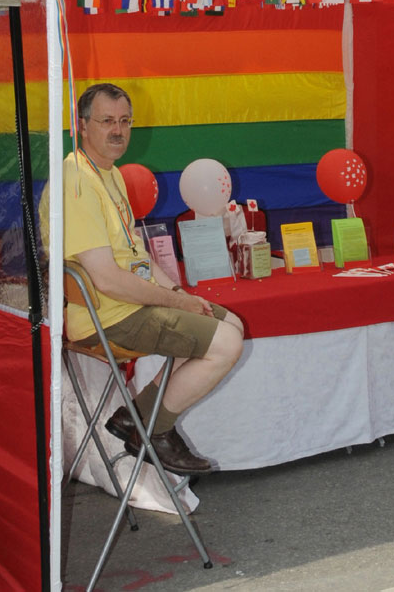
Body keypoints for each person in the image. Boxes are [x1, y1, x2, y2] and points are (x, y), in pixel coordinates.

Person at [40, 81, 244, 476]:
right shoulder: (76, 181)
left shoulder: (110, 174)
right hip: (107, 315)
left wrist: (179, 292)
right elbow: (107, 280)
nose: (117, 130)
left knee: (230, 323)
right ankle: (154, 429)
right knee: (227, 343)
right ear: (82, 125)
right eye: (106, 121)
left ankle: (137, 417)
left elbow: (138, 257)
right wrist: (178, 302)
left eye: (125, 121)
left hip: (129, 303)